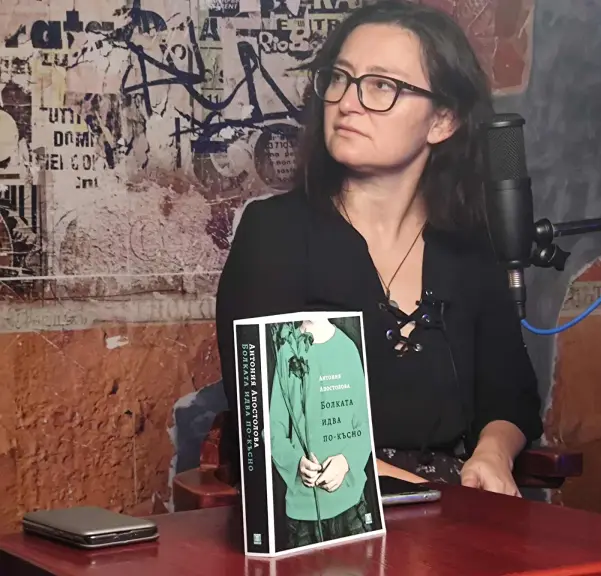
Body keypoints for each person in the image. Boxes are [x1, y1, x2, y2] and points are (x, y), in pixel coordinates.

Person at [216, 0, 543, 497]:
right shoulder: (274, 234)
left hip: (456, 507)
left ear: (443, 120)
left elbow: (512, 396)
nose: (348, 102)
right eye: (340, 78)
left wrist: (492, 454)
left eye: (382, 86)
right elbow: (270, 423)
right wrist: (430, 497)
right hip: (328, 506)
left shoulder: (467, 248)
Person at [269, 318, 374, 547]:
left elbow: (365, 423)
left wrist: (346, 462)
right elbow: (274, 428)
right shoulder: (287, 351)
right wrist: (296, 463)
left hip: (350, 501)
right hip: (302, 509)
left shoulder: (347, 348)